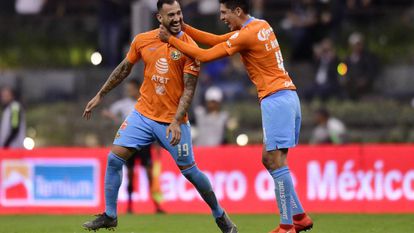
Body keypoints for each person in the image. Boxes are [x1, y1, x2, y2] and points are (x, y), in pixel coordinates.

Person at [81, 1, 237, 232]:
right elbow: (124, 68)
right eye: (171, 14)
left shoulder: (189, 47)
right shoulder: (143, 40)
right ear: (159, 18)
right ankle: (110, 215)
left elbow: (189, 90)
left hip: (172, 121)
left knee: (191, 172)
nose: (176, 18)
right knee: (114, 159)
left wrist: (176, 121)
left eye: (179, 13)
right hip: (143, 115)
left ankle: (220, 215)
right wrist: (100, 95)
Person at [158, 0, 313, 232]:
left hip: (276, 99)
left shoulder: (246, 35)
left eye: (224, 13)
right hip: (287, 98)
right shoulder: (260, 26)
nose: (222, 18)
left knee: (277, 162)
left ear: (237, 11)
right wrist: (183, 29)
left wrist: (171, 39)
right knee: (268, 159)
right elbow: (216, 40)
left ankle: (286, 225)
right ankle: (299, 216)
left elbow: (204, 54)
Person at [101, 79, 164, 214]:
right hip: (129, 144)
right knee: (129, 175)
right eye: (128, 89)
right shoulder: (123, 104)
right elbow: (108, 112)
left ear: (137, 89)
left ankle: (157, 205)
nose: (128, 91)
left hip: (145, 144)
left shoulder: (146, 102)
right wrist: (111, 116)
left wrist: (157, 143)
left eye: (130, 88)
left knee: (149, 175)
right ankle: (130, 206)